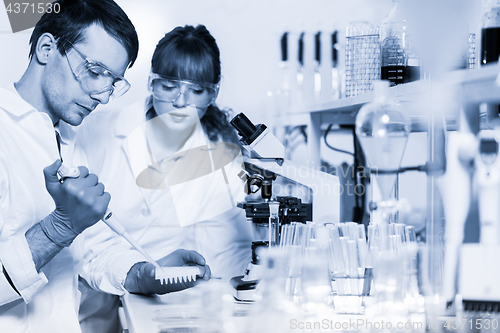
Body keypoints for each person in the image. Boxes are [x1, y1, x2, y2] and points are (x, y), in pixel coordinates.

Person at [0, 1, 209, 332]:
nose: (103, 95)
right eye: (95, 72)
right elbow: (62, 232)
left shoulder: (69, 141)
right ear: (46, 48)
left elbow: (91, 251)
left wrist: (144, 272)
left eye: (113, 81)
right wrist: (58, 229)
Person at [76, 25, 254, 332]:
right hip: (92, 300)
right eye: (169, 86)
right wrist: (136, 272)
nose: (181, 102)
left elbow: (227, 245)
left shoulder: (217, 155)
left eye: (196, 90)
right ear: (151, 82)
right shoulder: (97, 130)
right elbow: (81, 236)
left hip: (163, 306)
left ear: (213, 92)